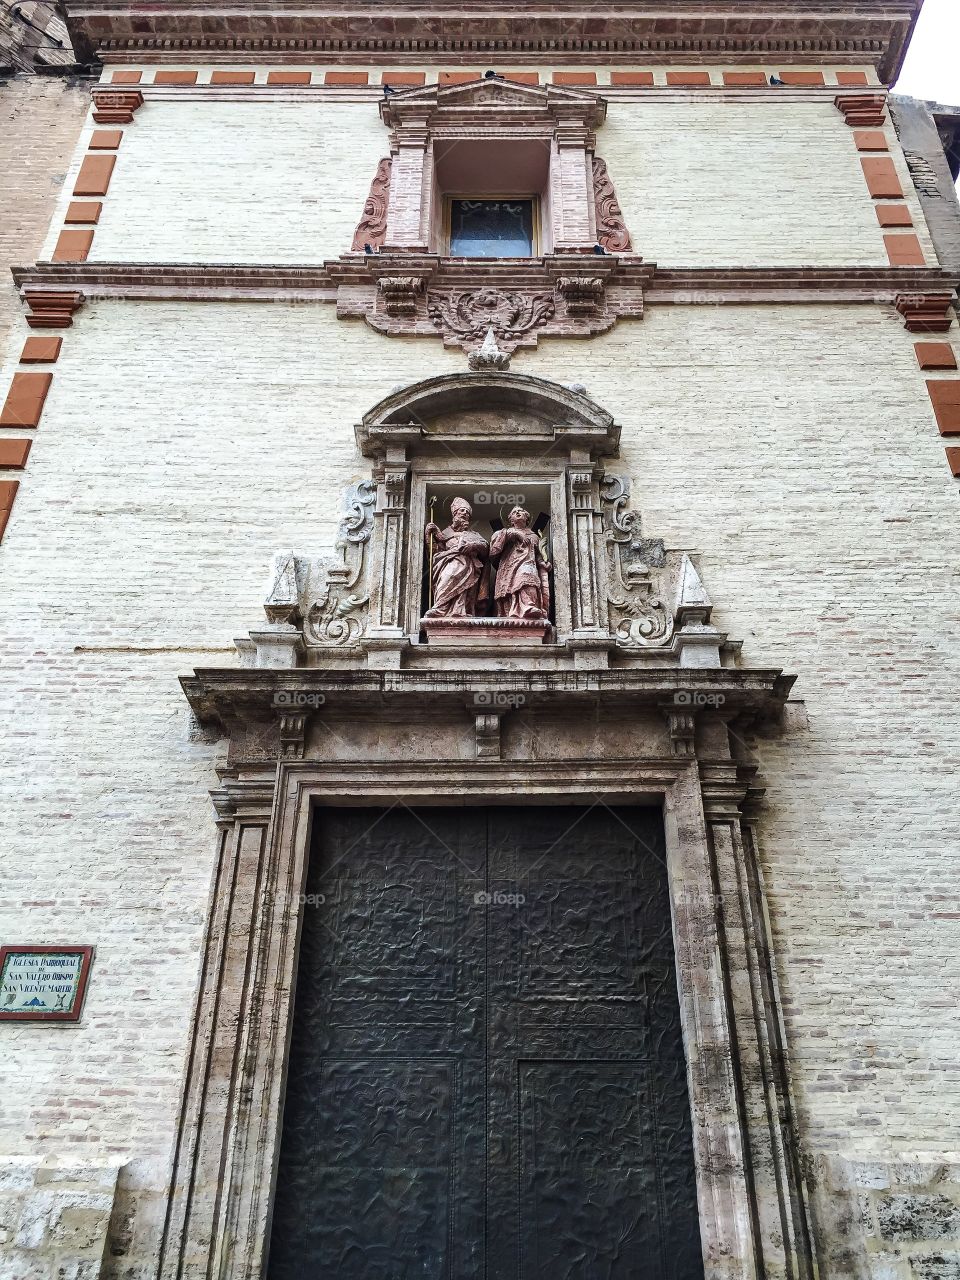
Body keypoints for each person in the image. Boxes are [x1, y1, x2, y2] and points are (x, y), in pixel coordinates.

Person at [423, 497, 490, 617]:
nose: (465, 513)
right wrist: (429, 535)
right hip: (448, 563)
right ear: (455, 514)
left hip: (469, 566)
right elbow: (435, 553)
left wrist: (472, 545)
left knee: (465, 588)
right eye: (462, 510)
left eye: (467, 512)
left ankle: (461, 611)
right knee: (447, 577)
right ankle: (441, 607)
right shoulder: (444, 534)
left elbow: (485, 548)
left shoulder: (473, 534)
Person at [490, 506, 551, 620]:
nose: (517, 512)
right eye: (514, 512)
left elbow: (537, 554)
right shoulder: (505, 532)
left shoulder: (534, 536)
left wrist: (543, 563)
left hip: (528, 562)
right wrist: (514, 534)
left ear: (526, 517)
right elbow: (494, 549)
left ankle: (529, 606)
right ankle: (514, 610)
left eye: (521, 511)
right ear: (511, 520)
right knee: (519, 580)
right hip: (509, 566)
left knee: (528, 577)